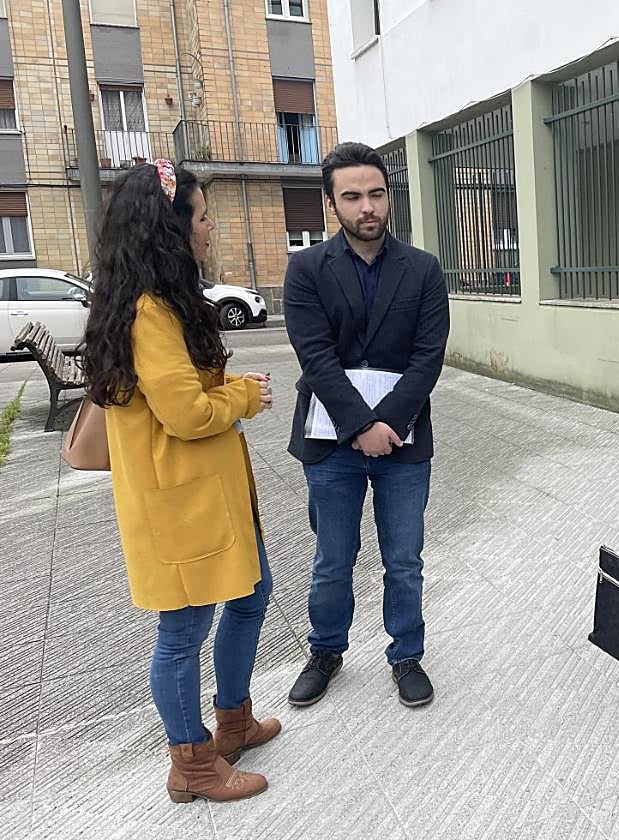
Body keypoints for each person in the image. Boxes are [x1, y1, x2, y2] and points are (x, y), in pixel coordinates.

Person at [82, 160, 280, 803]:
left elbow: (187, 392)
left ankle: (233, 722)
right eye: (200, 215)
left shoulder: (164, 304)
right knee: (181, 635)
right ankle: (192, 764)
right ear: (168, 230)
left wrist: (226, 392)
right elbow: (188, 413)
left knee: (253, 594)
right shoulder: (148, 314)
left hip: (214, 494)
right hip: (183, 506)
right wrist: (245, 397)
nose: (209, 225)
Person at [284, 142, 450, 709]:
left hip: (403, 440)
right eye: (352, 196)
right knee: (333, 557)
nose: (367, 207)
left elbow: (428, 357)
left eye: (376, 193)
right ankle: (326, 649)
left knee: (403, 559)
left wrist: (390, 424)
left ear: (389, 196)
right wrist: (360, 427)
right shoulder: (306, 269)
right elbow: (316, 358)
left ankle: (406, 654)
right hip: (331, 443)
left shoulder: (423, 269)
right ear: (332, 204)